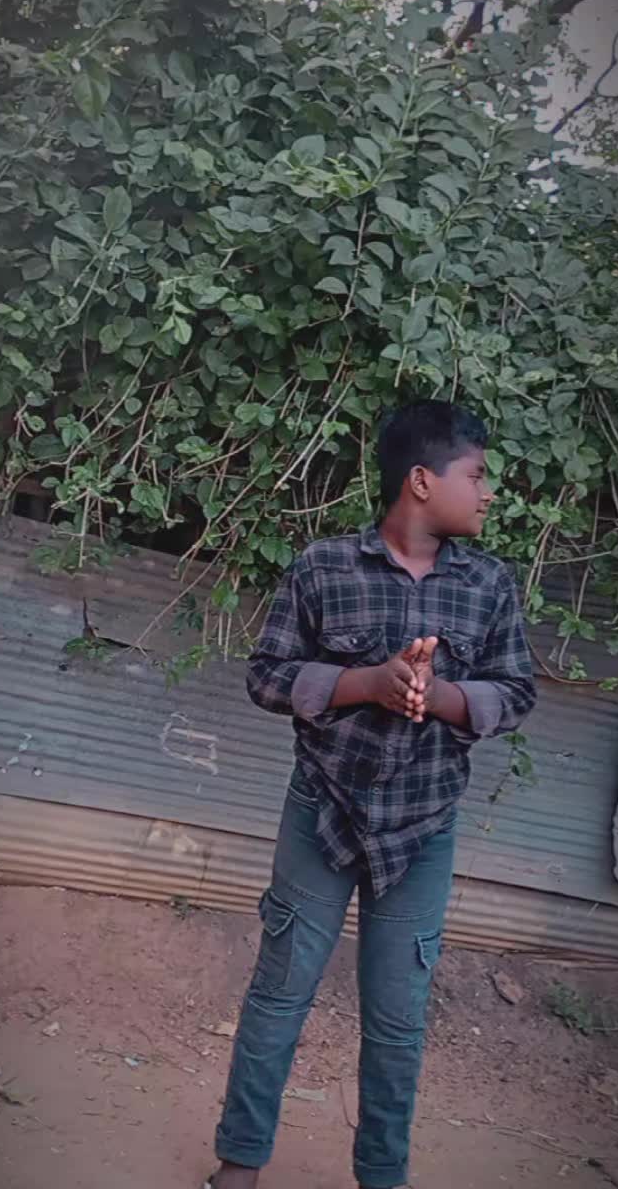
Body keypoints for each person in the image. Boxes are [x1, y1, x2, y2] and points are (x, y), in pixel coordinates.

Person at [204, 400, 536, 1189]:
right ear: (421, 481)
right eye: (477, 476)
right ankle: (238, 1167)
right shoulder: (323, 568)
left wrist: (436, 694)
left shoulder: (488, 585)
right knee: (280, 995)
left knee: (397, 1021)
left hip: (423, 829)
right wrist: (369, 683)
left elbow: (517, 691)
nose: (488, 492)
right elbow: (267, 677)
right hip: (323, 813)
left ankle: (382, 1176)